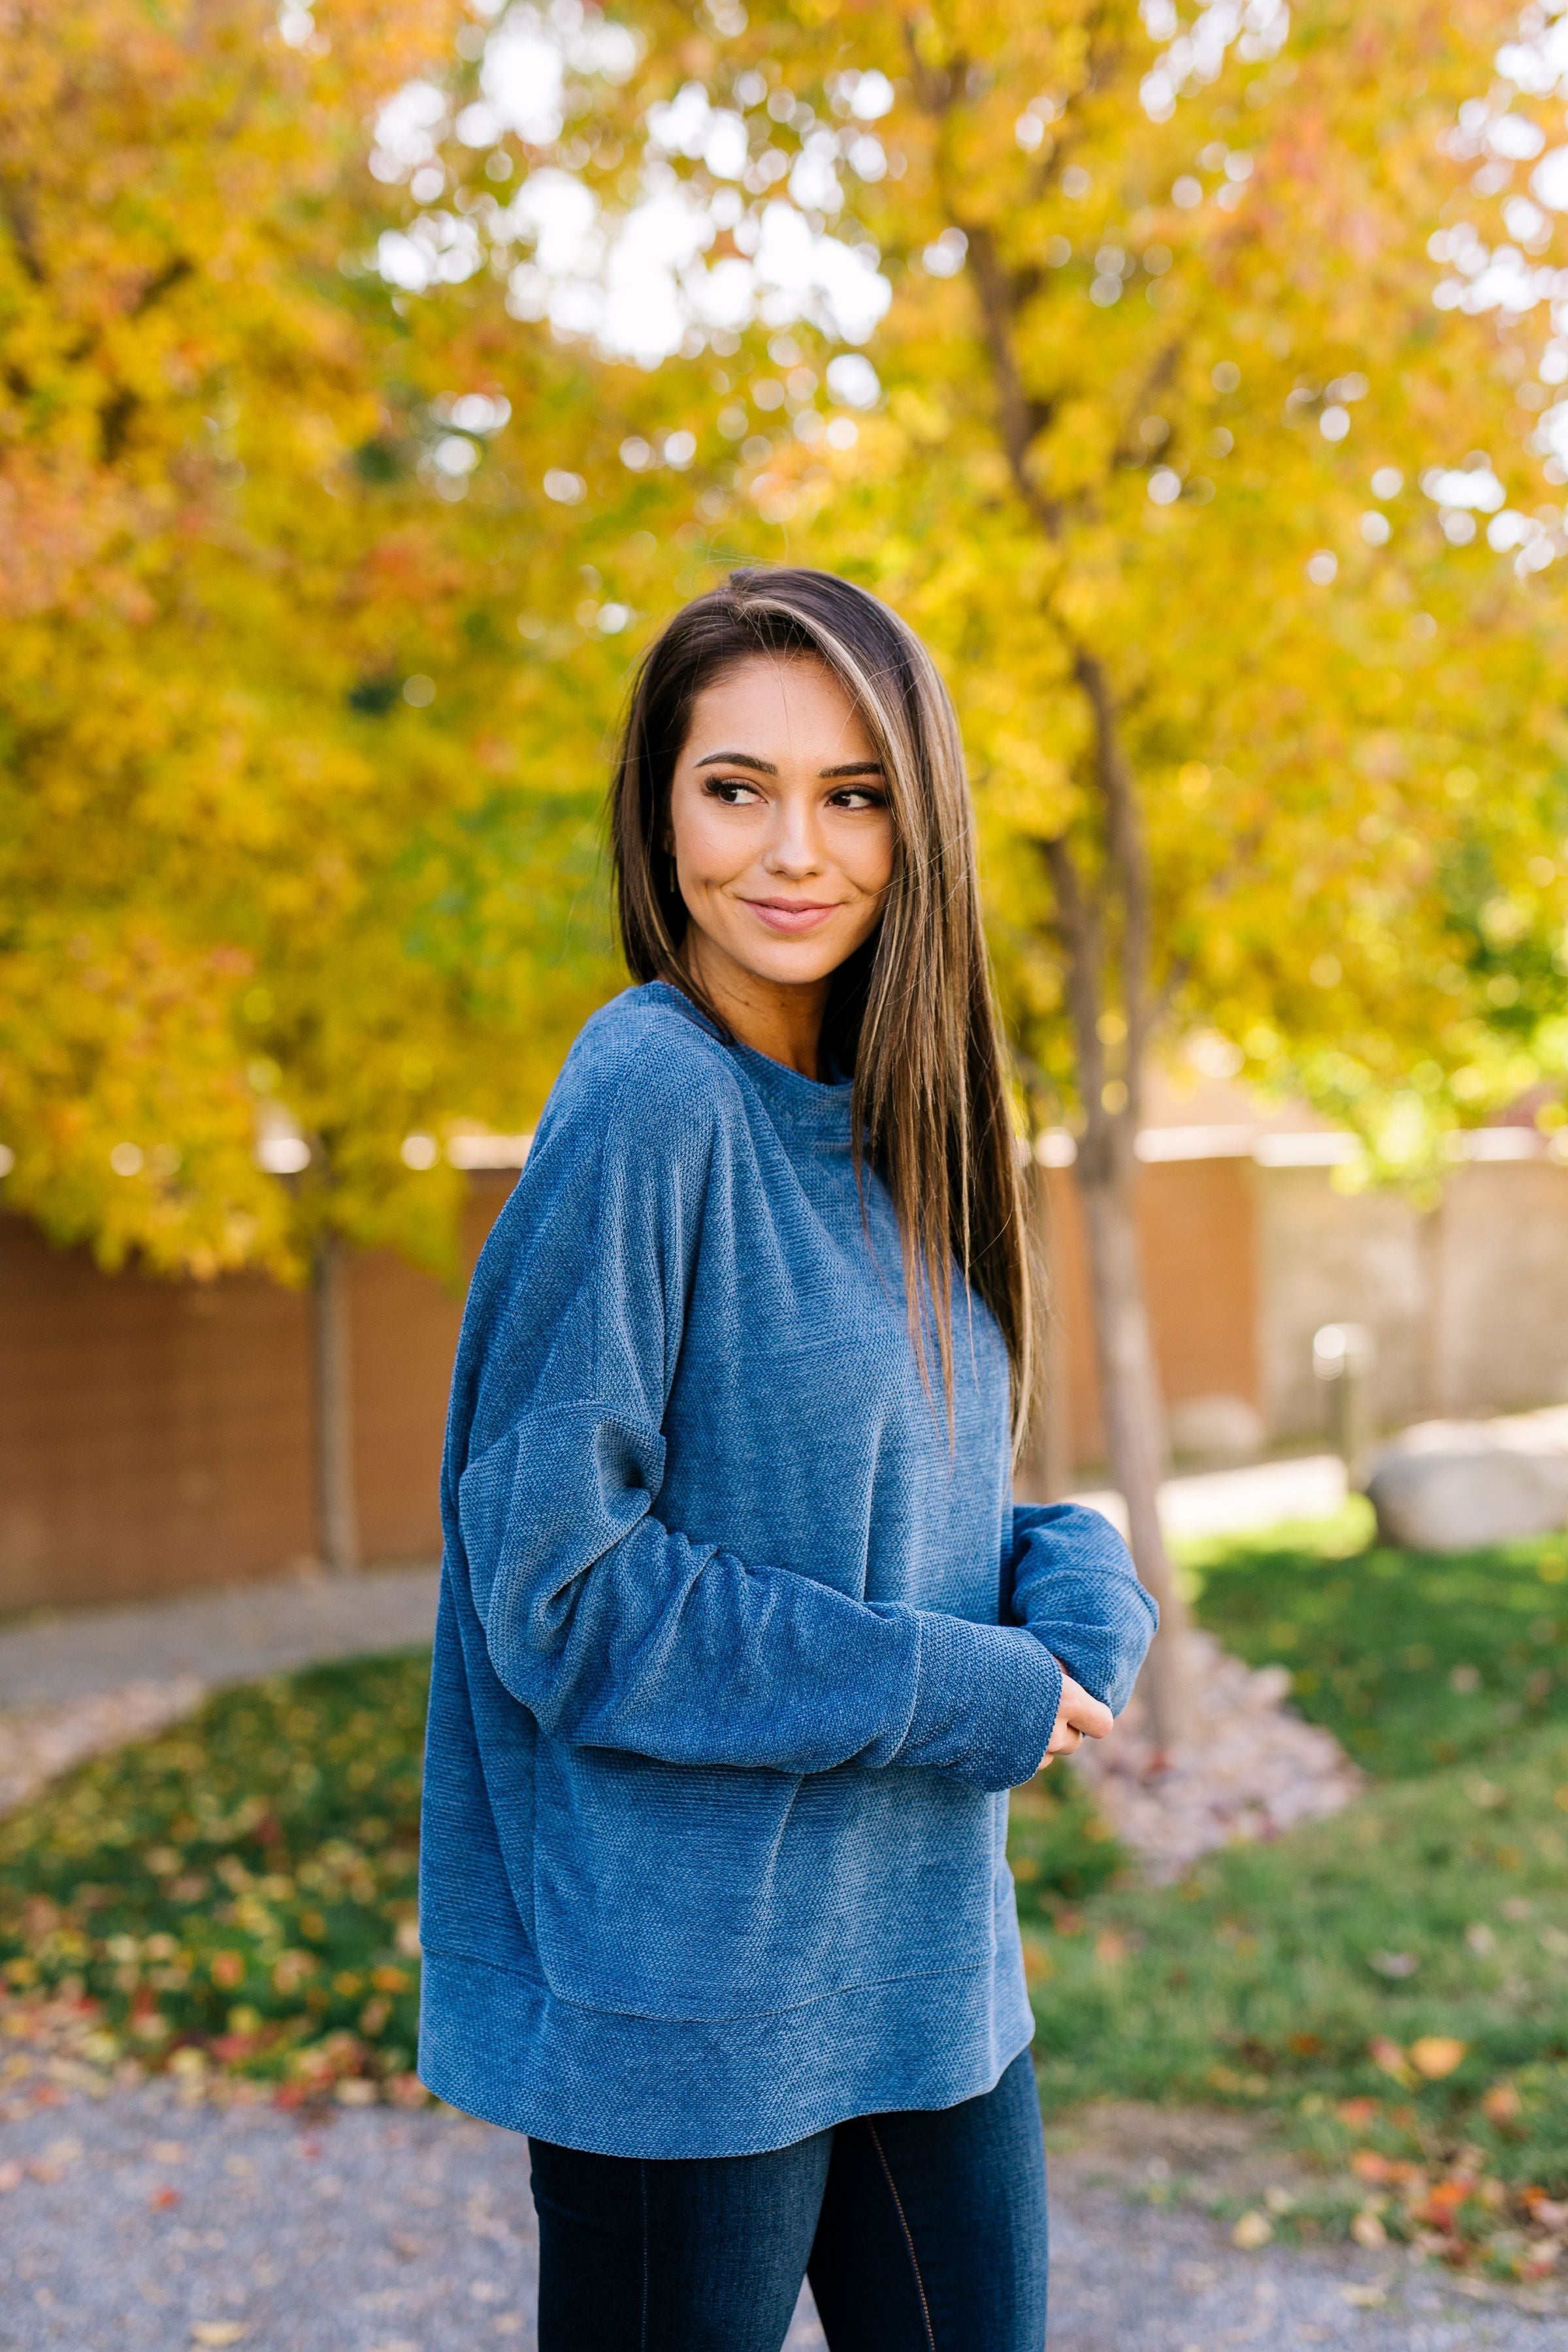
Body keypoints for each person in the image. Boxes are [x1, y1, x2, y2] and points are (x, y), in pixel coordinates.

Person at [417, 567, 1157, 2351]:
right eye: (735, 788)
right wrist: (951, 1688)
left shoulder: (916, 1102)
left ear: (920, 823)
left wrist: (1074, 1570)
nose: (792, 852)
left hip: (925, 1969)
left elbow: (908, 1495)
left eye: (852, 795)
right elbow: (561, 1590)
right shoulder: (651, 1099)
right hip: (691, 2000)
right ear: (660, 812)